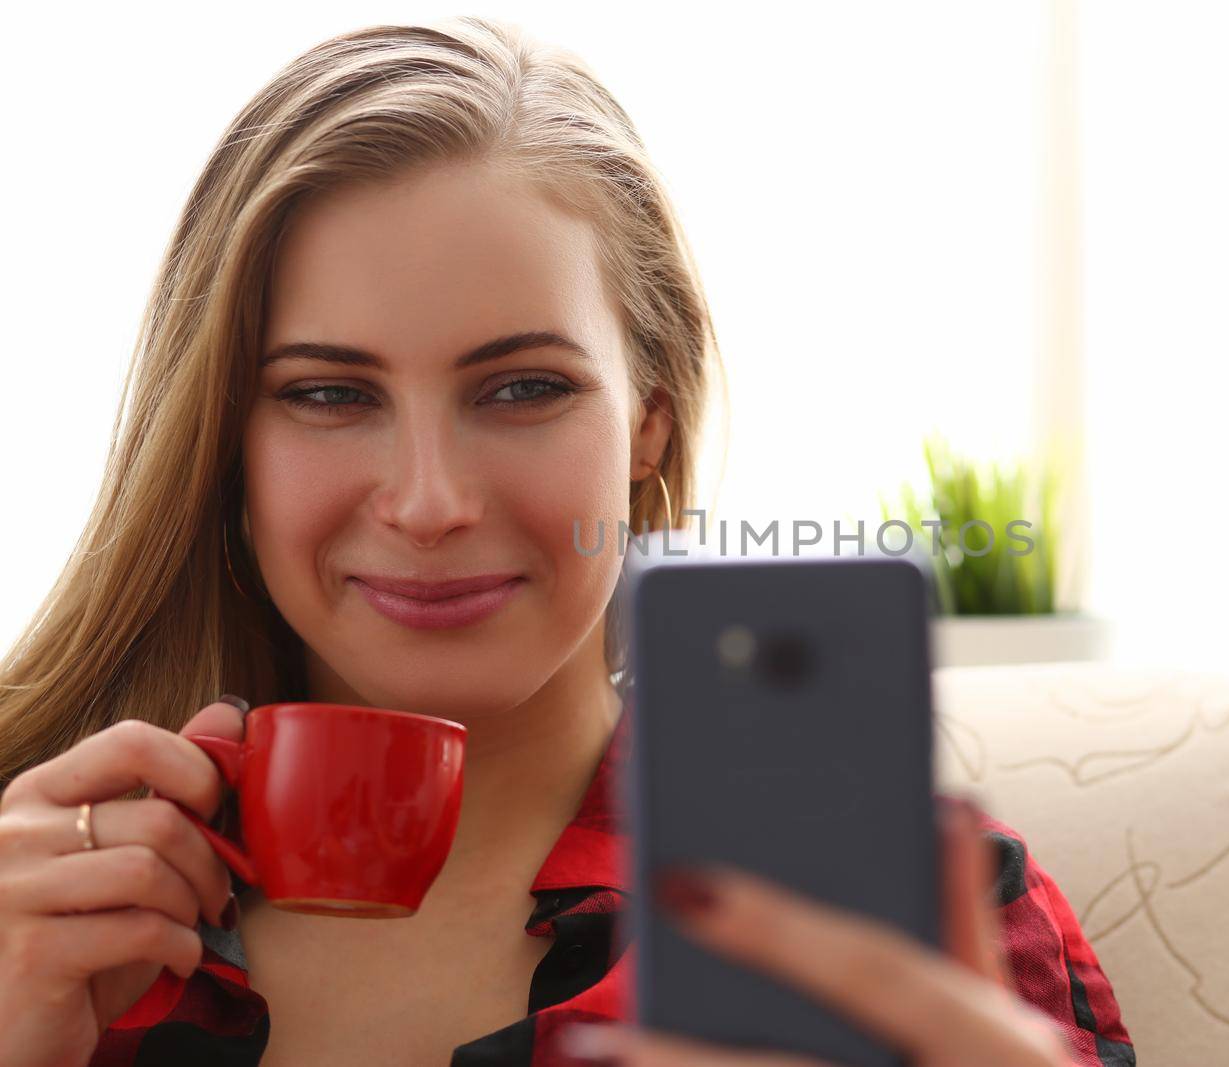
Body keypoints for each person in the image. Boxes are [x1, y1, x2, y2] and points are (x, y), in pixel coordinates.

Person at [0, 17, 1135, 1067]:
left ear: (651, 418)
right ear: (224, 443)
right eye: (330, 394)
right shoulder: (34, 887)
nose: (429, 501)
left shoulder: (919, 910)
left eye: (523, 387)